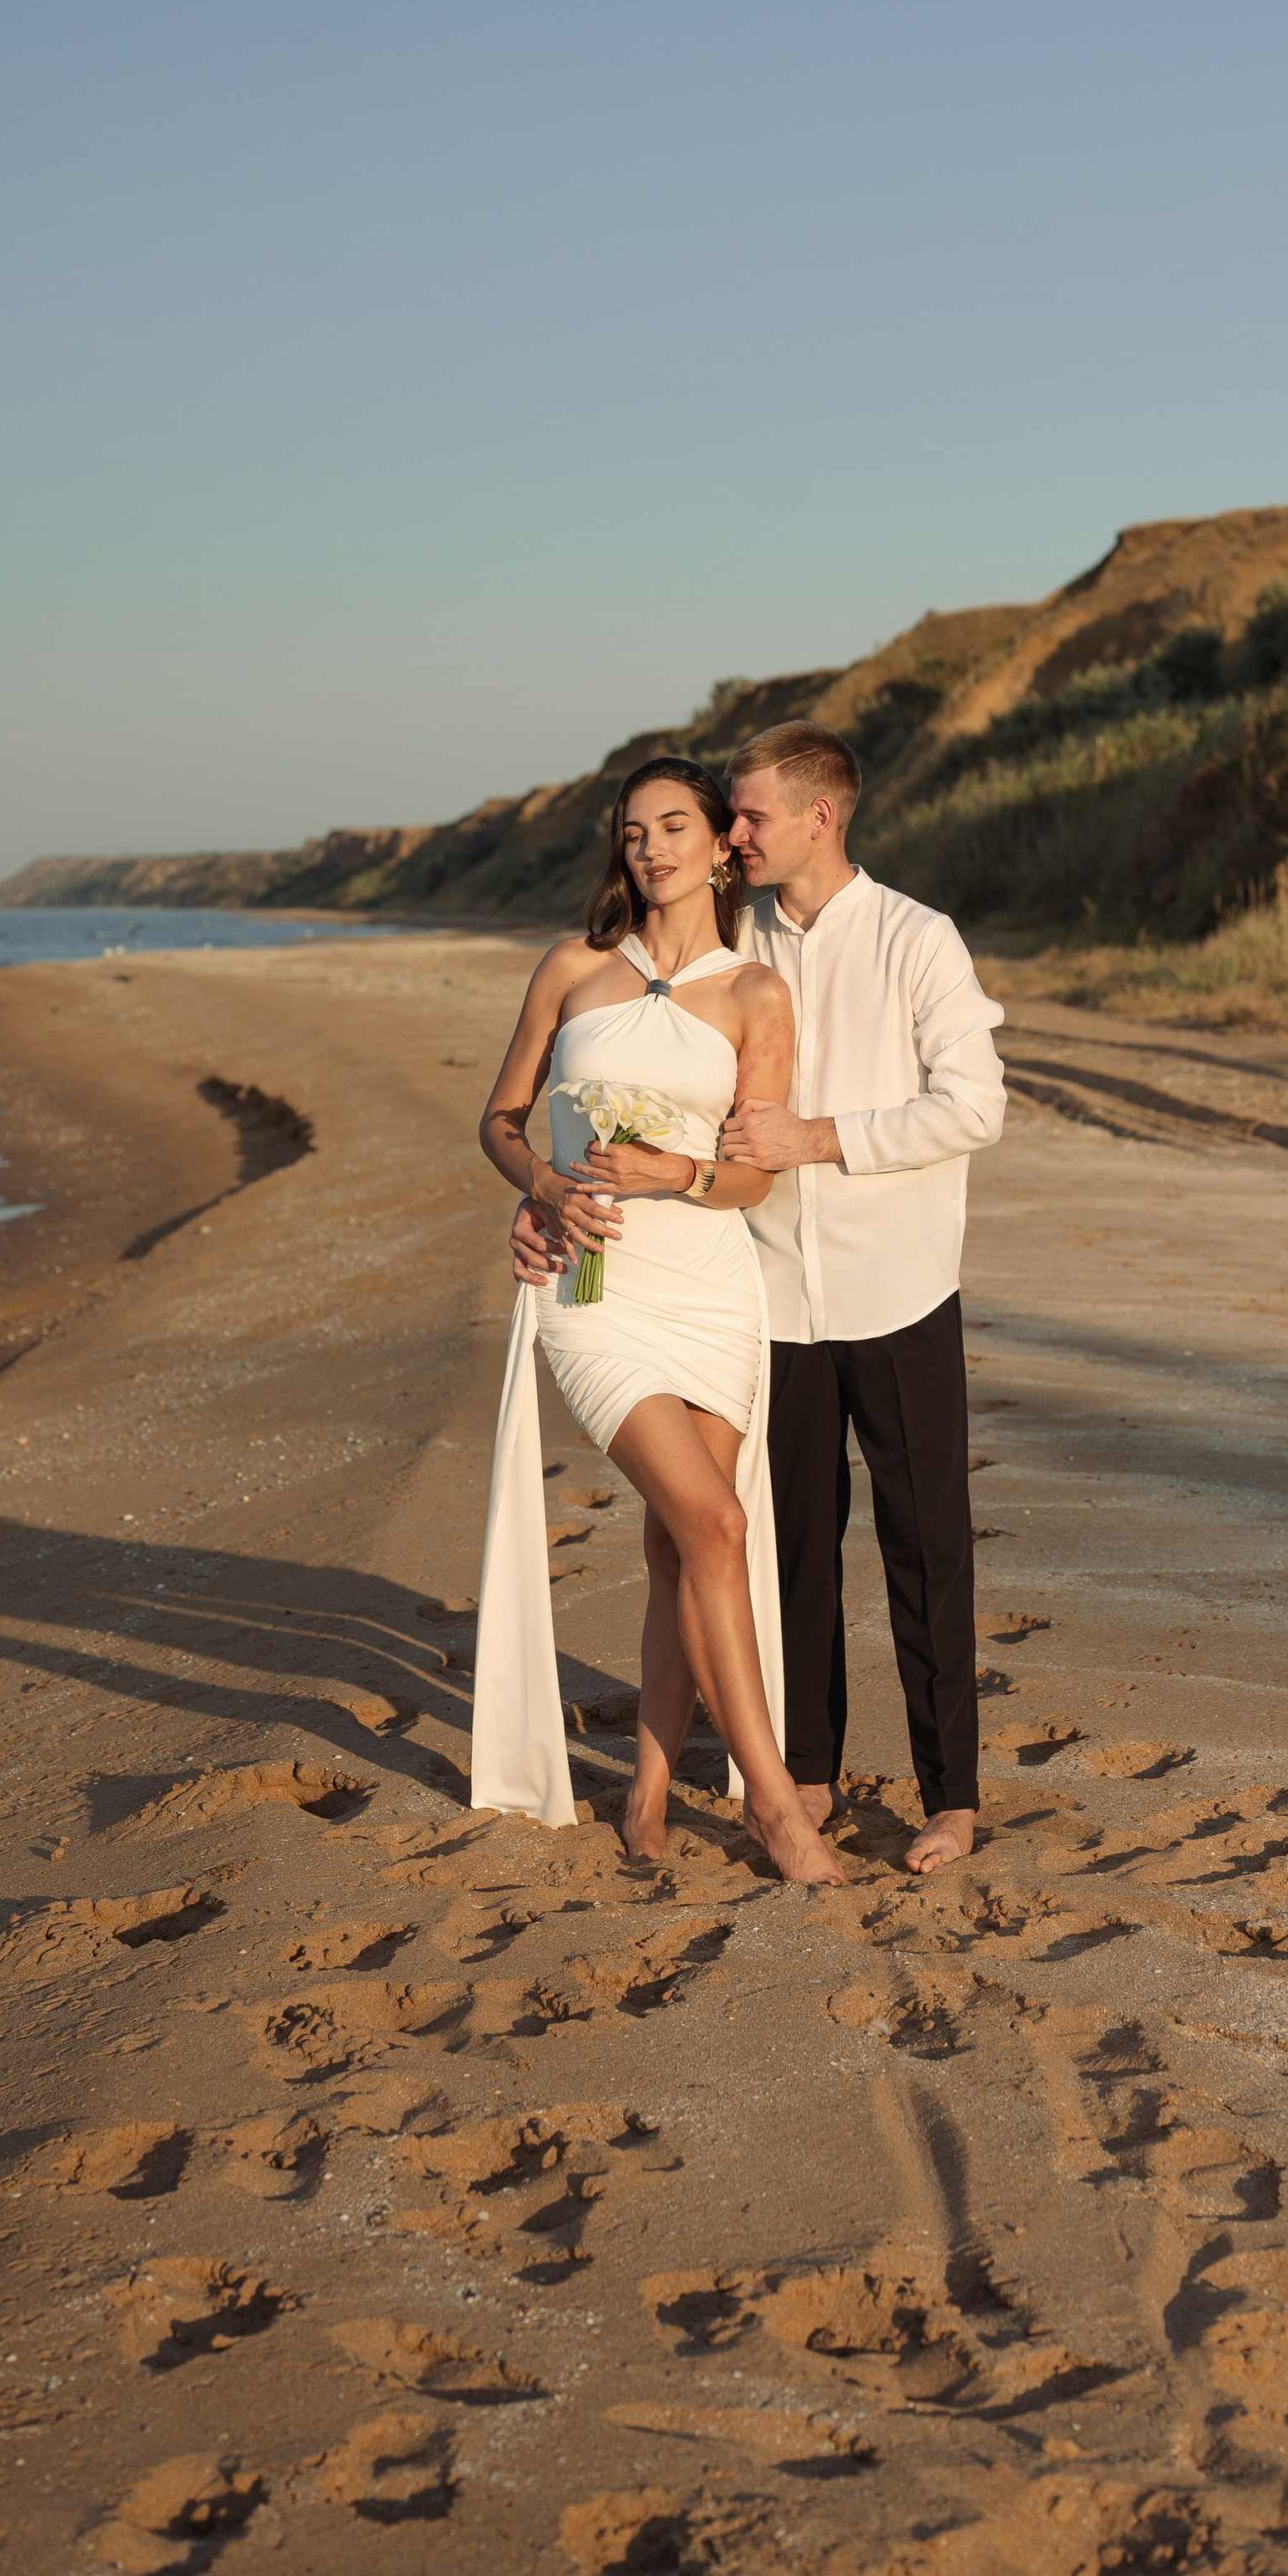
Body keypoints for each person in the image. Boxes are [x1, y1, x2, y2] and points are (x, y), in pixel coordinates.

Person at [515, 719, 1005, 1878]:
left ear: (819, 818)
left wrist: (819, 1137)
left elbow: (975, 1104)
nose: (734, 837)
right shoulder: (731, 946)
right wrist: (545, 1199)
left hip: (898, 1288)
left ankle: (953, 1799)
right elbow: (619, 1082)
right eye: (722, 818)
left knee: (927, 1547)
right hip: (762, 1297)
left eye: (749, 817)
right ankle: (812, 1773)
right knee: (789, 1553)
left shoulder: (917, 940)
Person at [471, 754, 845, 1888]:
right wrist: (543, 1189)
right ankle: (777, 1808)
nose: (652, 847)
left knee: (677, 1552)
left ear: (718, 843)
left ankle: (644, 1793)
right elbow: (499, 1120)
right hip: (594, 1289)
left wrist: (677, 1168)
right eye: (634, 832)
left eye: (674, 825)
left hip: (713, 1289)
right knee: (718, 1527)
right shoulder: (573, 969)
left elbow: (751, 1182)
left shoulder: (755, 996)